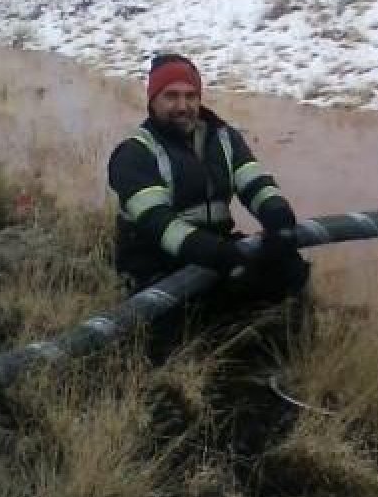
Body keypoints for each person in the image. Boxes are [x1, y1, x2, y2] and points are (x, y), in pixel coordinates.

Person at [107, 53, 310, 347]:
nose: (182, 106)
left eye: (191, 96)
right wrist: (221, 256)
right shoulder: (134, 154)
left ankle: (281, 355)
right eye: (171, 97)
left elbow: (256, 184)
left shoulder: (223, 138)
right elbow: (159, 225)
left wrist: (279, 219)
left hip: (214, 251)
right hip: (156, 266)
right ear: (152, 101)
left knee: (289, 269)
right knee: (176, 339)